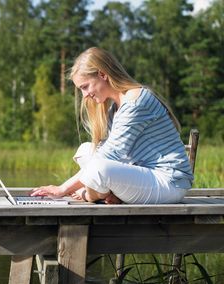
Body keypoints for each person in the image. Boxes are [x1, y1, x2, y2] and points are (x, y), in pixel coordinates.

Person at [31, 47, 193, 204]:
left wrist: (63, 189)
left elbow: (108, 157)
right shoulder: (114, 109)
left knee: (98, 168)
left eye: (85, 87)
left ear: (102, 74)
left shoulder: (135, 101)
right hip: (144, 175)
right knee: (85, 150)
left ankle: (92, 196)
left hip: (169, 182)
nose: (85, 95)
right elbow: (112, 155)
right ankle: (108, 193)